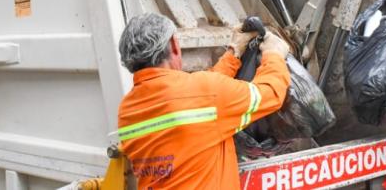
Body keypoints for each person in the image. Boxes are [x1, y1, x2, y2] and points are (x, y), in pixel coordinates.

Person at [116, 13, 291, 189]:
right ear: (174, 46)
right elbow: (270, 93)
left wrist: (233, 53)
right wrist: (273, 55)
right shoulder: (204, 94)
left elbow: (200, 95)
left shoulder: (127, 110)